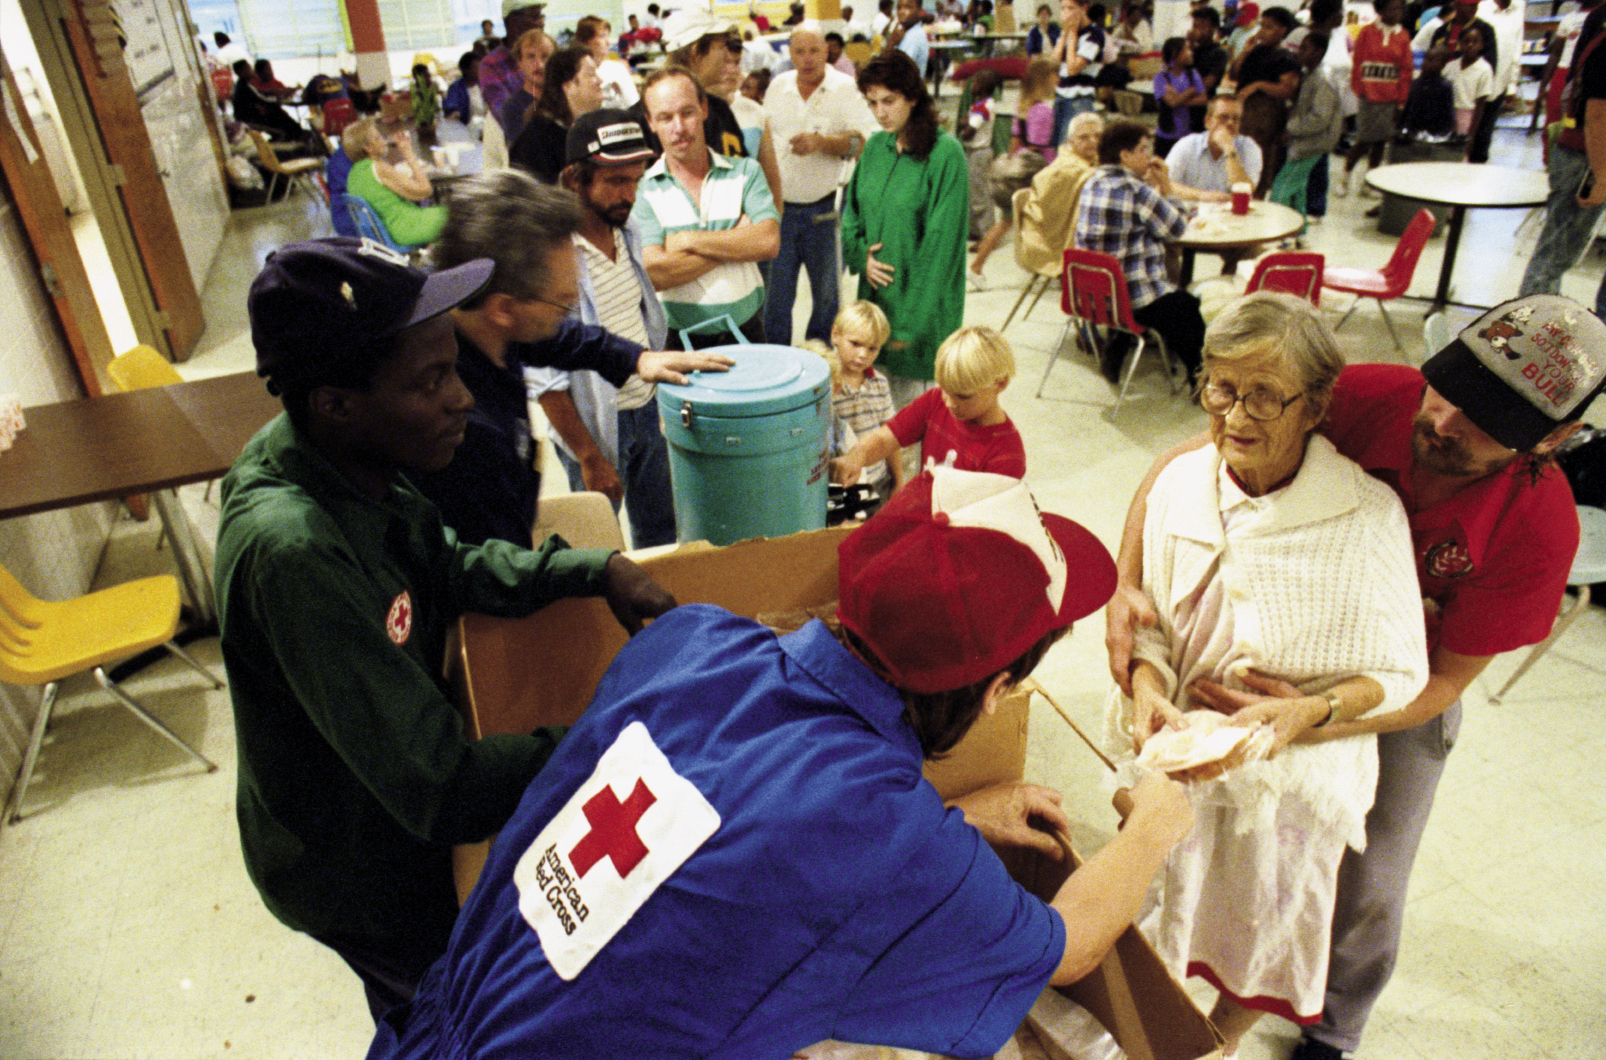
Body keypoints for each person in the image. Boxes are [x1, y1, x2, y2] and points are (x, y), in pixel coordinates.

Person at [365, 462, 1194, 1060]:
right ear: (999, 688)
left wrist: (952, 821)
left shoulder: (697, 638)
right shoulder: (889, 845)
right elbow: (1071, 944)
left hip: (438, 1021)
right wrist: (1156, 822)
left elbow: (714, 826)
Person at [1104, 295, 1606, 1060]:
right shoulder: (1373, 397)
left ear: (1555, 440)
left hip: (1395, 692)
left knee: (1367, 883)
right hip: (1273, 645)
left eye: (1486, 423)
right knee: (1202, 832)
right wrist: (1126, 584)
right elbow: (1189, 463)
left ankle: (1332, 1027)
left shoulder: (1538, 530)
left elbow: (1435, 684)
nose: (1444, 423)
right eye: (1449, 392)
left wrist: (1316, 717)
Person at [216, 237, 681, 1020]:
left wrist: (591, 570)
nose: (463, 399)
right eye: (431, 381)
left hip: (391, 797)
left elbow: (447, 563)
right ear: (336, 401)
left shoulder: (353, 454)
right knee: (441, 1011)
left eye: (454, 370)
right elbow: (441, 789)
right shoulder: (294, 551)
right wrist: (623, 731)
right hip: (355, 862)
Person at [1110, 292, 1430, 1057]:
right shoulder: (1181, 484)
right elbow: (1150, 622)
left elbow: (1399, 673)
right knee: (1158, 899)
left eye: (1263, 395)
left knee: (1268, 920)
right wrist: (1149, 689)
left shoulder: (1365, 512)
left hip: (1294, 776)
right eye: (1220, 387)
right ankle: (1138, 1029)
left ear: (1315, 407)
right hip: (1184, 756)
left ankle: (1213, 1043)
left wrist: (1305, 716)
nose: (1235, 416)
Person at [409, 168, 724, 550]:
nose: (573, 304)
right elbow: (492, 567)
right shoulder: (460, 432)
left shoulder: (469, 312)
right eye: (563, 303)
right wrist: (596, 571)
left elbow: (554, 337)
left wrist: (637, 359)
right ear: (504, 309)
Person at [531, 112, 687, 548]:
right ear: (575, 179)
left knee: (661, 535)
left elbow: (643, 317)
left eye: (636, 180)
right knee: (600, 549)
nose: (629, 194)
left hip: (647, 409)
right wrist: (589, 456)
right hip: (594, 427)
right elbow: (546, 377)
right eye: (616, 181)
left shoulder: (628, 230)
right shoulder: (552, 254)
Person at [841, 51, 968, 409]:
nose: (880, 112)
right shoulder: (876, 148)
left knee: (913, 421)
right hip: (875, 305)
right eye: (872, 103)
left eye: (889, 101)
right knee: (876, 416)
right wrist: (859, 254)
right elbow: (851, 212)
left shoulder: (945, 154)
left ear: (912, 97)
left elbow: (942, 248)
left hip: (922, 311)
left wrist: (911, 326)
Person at [634, 68, 780, 347]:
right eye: (665, 117)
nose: (679, 128)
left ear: (703, 109)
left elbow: (768, 242)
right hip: (680, 341)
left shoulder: (746, 172)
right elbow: (655, 273)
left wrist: (687, 240)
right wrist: (736, 242)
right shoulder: (643, 190)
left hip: (747, 333)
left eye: (687, 112)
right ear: (650, 122)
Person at [761, 23, 880, 346]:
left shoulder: (845, 88)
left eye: (814, 50)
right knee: (775, 297)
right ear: (789, 53)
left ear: (826, 51)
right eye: (799, 51)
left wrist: (822, 143)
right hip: (779, 210)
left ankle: (823, 356)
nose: (807, 59)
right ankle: (777, 360)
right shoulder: (777, 86)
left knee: (827, 296)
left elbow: (866, 141)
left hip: (826, 210)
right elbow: (763, 139)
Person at [1075, 120, 1206, 384]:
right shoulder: (1136, 191)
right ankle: (1200, 378)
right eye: (1143, 149)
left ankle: (1117, 348)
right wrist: (1166, 186)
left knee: (1156, 288)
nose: (1149, 157)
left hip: (1094, 296)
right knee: (1187, 306)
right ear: (1125, 155)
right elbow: (1178, 228)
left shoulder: (1091, 182)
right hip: (1129, 299)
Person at [831, 325, 1025, 485]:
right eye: (944, 389)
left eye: (962, 396)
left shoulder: (1006, 456)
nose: (948, 402)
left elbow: (983, 526)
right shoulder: (935, 400)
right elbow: (885, 439)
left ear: (1000, 383)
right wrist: (856, 456)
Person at [826, 300, 904, 498]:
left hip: (878, 481)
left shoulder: (879, 384)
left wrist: (899, 480)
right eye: (855, 344)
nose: (862, 355)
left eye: (872, 349)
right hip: (838, 484)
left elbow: (890, 435)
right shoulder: (825, 385)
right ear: (836, 335)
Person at [1338, 0, 1412, 199]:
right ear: (1380, 10)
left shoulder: (1403, 35)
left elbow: (1406, 70)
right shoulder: (1367, 32)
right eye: (1391, 8)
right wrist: (1360, 89)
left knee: (1380, 142)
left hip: (1390, 98)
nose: (1395, 13)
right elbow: (1358, 62)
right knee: (1363, 140)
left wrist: (1401, 100)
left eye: (1399, 9)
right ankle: (1344, 178)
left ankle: (1369, 182)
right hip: (1368, 96)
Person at [1017, 111, 1103, 278]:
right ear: (1070, 142)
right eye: (1084, 138)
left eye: (1097, 136)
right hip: (1042, 236)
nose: (1093, 141)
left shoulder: (1095, 162)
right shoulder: (1067, 168)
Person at [342, 118, 446, 248]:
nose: (384, 140)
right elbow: (425, 191)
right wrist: (408, 154)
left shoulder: (354, 173)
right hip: (406, 228)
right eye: (378, 138)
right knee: (461, 215)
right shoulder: (379, 167)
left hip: (386, 233)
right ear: (368, 147)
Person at [510, 45, 604, 183]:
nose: (600, 80)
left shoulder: (591, 128)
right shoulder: (537, 142)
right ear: (568, 86)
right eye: (591, 74)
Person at [1281, 31, 1341, 220]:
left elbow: (1319, 118)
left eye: (1305, 48)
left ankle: (1312, 210)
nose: (1300, 52)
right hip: (1307, 138)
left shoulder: (1323, 79)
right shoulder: (1309, 74)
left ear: (1319, 52)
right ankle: (1303, 216)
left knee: (1286, 186)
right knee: (1302, 183)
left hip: (1314, 141)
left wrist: (1291, 128)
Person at [1165, 95, 1258, 204]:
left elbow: (1245, 191)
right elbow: (1166, 183)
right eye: (1223, 117)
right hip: (1191, 214)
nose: (1230, 123)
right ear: (1208, 121)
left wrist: (1229, 149)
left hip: (1229, 216)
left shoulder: (1249, 148)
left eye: (1236, 118)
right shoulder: (1187, 145)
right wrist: (1202, 195)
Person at [479, 1, 547, 128]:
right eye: (535, 17)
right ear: (513, 23)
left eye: (542, 16)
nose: (542, 23)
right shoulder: (491, 65)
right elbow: (508, 117)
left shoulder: (548, 55)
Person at [1050, 0, 1108, 149]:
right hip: (1060, 97)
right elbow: (1053, 64)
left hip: (1079, 99)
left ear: (1084, 8)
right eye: (1063, 8)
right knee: (1057, 149)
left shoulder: (1095, 35)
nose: (1066, 13)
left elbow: (1072, 68)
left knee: (1072, 150)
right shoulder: (1066, 33)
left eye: (1071, 8)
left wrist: (1073, 34)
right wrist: (1064, 33)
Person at [499, 28, 555, 147]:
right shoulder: (512, 108)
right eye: (531, 57)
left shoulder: (566, 98)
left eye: (545, 56)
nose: (539, 65)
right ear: (520, 63)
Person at [1444, 23, 1495, 154]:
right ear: (1459, 44)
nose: (1471, 45)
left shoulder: (1484, 69)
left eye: (1475, 41)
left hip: (1467, 117)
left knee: (1460, 154)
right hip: (1448, 114)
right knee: (1445, 152)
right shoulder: (1450, 66)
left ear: (1482, 45)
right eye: (1467, 41)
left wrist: (1471, 135)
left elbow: (1481, 104)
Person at [1154, 36, 1206, 159]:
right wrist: (1191, 91)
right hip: (1166, 135)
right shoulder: (1161, 78)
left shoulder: (1193, 74)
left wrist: (1179, 99)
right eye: (1186, 49)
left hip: (1189, 134)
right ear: (1175, 53)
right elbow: (1171, 103)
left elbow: (1203, 99)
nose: (1190, 53)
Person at [575, 15, 639, 109]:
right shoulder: (575, 73)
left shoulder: (617, 69)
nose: (608, 42)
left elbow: (634, 106)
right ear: (586, 41)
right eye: (602, 36)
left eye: (607, 35)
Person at [1188, 6, 1228, 127]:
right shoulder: (1190, 50)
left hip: (1203, 106)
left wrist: (1182, 97)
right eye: (1195, 26)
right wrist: (1189, 45)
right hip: (1185, 106)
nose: (1198, 30)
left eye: (1202, 26)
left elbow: (1209, 82)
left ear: (1214, 28)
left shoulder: (1219, 52)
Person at [883, 0, 931, 74]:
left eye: (908, 7)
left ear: (920, 10)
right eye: (899, 8)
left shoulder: (915, 35)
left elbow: (897, 72)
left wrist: (891, 44)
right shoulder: (904, 33)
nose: (902, 12)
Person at [443, 52, 483, 124]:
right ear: (466, 70)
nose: (481, 71)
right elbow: (451, 105)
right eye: (476, 68)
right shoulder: (456, 88)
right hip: (468, 127)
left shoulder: (485, 84)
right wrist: (455, 113)